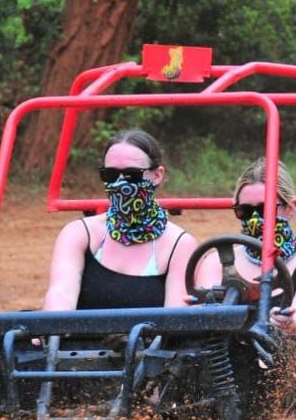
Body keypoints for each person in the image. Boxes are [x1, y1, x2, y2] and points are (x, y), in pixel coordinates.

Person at [195, 157, 296, 417]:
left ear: (290, 209)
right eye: (244, 211)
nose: (255, 219)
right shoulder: (217, 261)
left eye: (265, 209)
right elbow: (198, 315)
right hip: (218, 369)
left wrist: (290, 320)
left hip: (284, 370)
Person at [43, 129, 197, 311]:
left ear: (157, 175)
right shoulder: (79, 234)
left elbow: (174, 319)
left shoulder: (179, 244)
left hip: (150, 339)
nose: (119, 184)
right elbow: (61, 294)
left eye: (132, 174)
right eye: (110, 175)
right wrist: (50, 335)